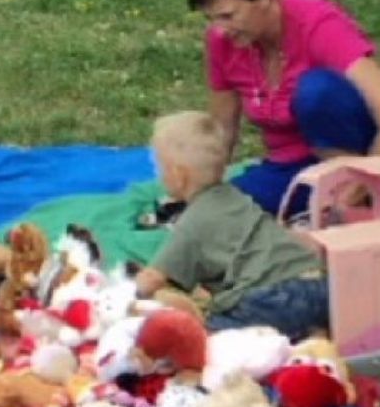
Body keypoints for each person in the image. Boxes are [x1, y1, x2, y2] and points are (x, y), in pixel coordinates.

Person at [183, 0, 380, 217]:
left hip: (369, 157)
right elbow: (222, 130)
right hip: (296, 167)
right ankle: (324, 203)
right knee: (221, 210)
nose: (220, 30)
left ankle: (369, 198)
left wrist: (351, 193)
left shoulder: (320, 26)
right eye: (210, 18)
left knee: (315, 91)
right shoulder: (223, 41)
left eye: (227, 16)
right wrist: (202, 192)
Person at [135, 111, 329, 341]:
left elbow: (154, 279)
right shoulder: (239, 198)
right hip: (318, 284)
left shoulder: (193, 221)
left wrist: (130, 290)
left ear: (178, 175)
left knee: (204, 336)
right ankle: (310, 334)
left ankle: (289, 335)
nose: (158, 175)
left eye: (159, 168)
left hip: (269, 298)